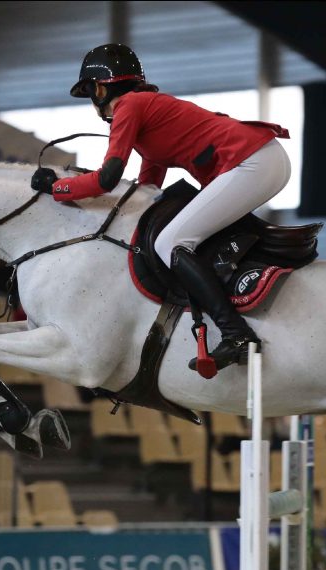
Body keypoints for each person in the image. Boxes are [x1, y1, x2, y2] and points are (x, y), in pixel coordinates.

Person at [30, 43, 291, 373]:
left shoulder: (129, 106)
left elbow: (108, 178)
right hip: (260, 159)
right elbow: (148, 190)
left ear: (97, 89)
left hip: (251, 162)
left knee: (171, 243)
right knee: (181, 234)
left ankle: (236, 332)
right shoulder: (148, 111)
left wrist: (57, 187)